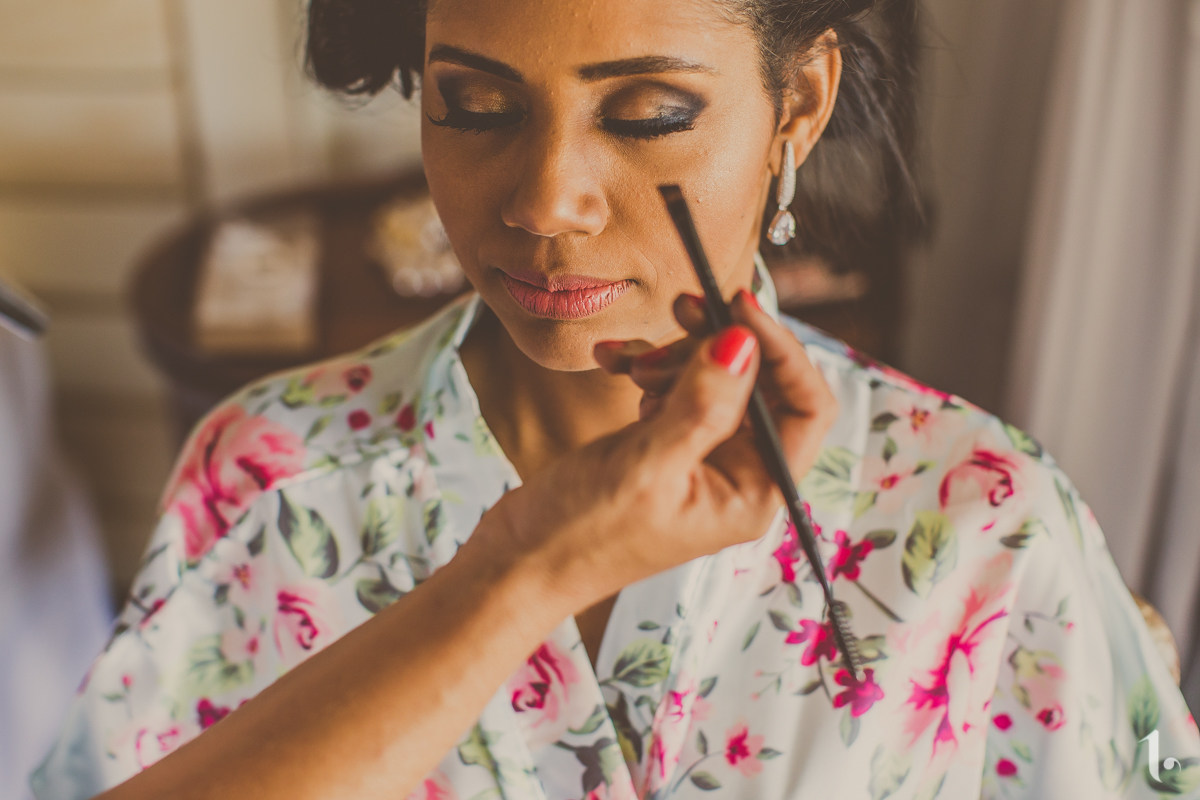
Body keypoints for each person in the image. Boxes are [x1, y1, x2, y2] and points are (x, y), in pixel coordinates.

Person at [31, 0, 1200, 797]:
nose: (545, 200)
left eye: (646, 115)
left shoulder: (987, 524)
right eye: (475, 105)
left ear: (797, 103)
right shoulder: (267, 481)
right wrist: (515, 575)